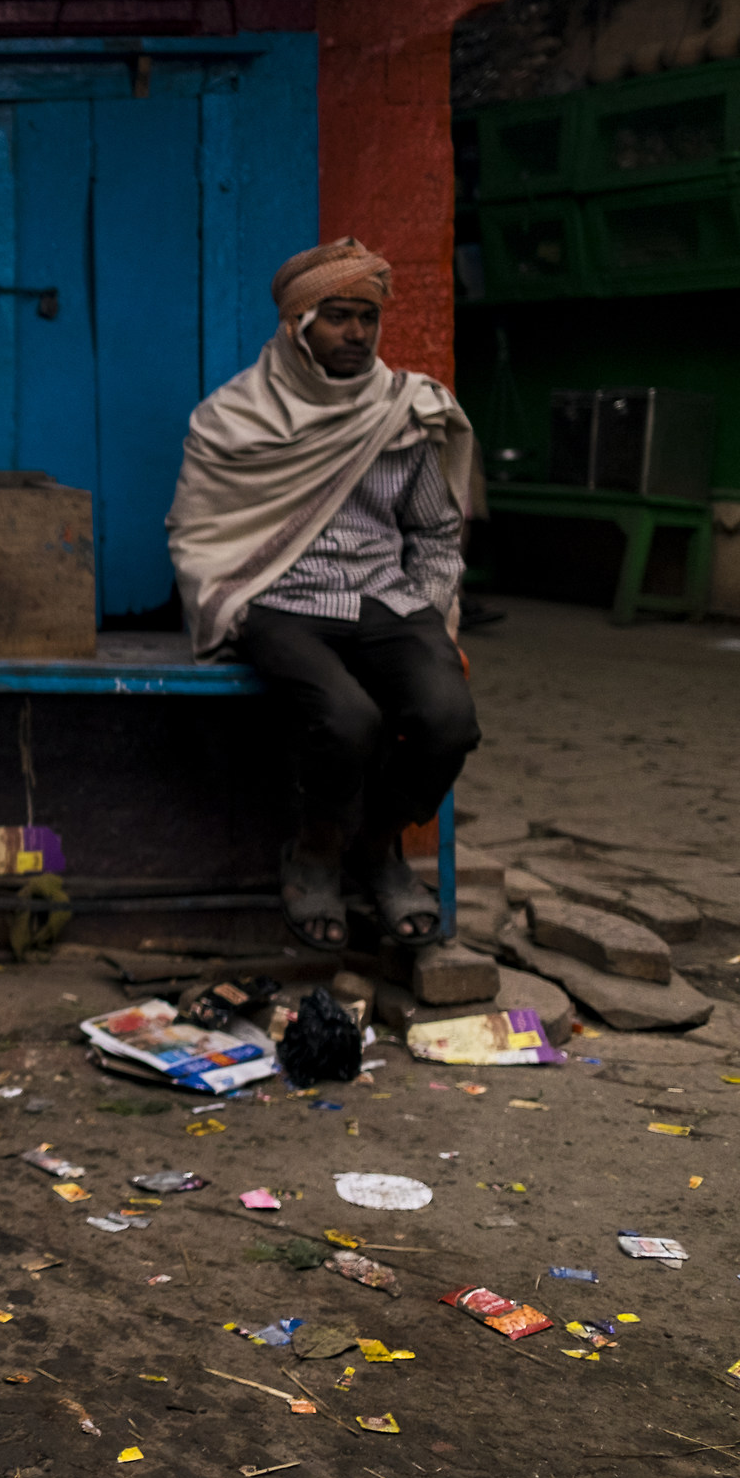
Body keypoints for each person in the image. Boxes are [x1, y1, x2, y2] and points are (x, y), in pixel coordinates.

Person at [167, 238, 480, 953]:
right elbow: (198, 528)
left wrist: (431, 618)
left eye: (367, 318)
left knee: (447, 718)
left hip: (387, 599)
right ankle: (314, 850)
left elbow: (434, 532)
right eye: (338, 317)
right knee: (347, 720)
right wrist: (231, 604)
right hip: (280, 600)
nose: (357, 335)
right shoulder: (234, 419)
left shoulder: (401, 412)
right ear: (297, 326)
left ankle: (377, 847)